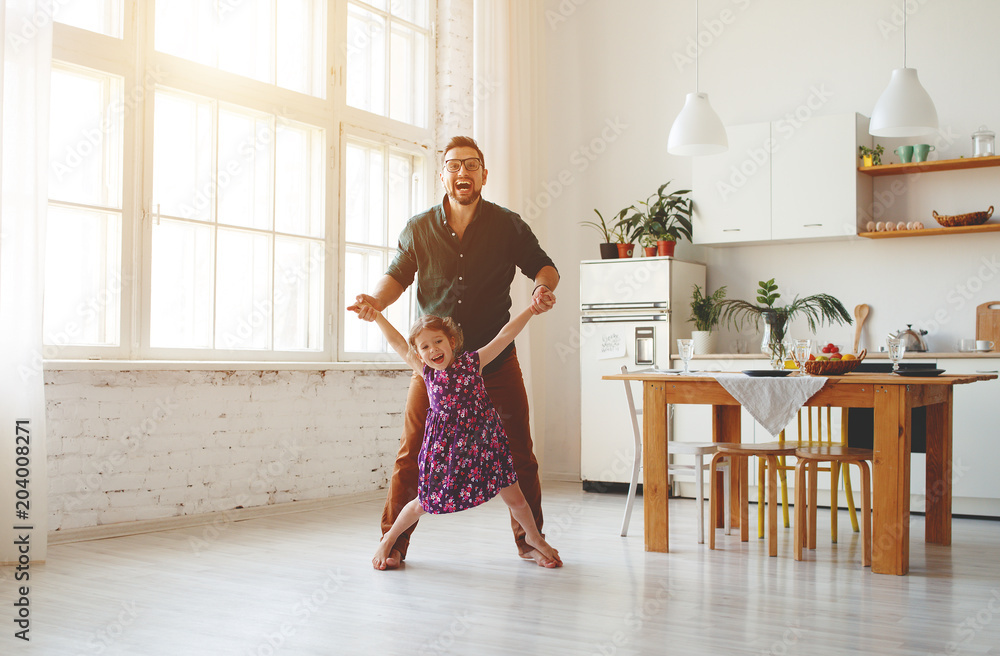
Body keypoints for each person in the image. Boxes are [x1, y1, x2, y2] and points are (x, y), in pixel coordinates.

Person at [349, 136, 560, 569]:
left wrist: (541, 289)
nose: (462, 173)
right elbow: (396, 275)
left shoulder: (507, 226)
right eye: (453, 166)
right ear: (441, 175)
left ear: (484, 174)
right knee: (412, 452)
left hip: (494, 363)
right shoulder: (419, 228)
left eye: (471, 165)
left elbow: (545, 266)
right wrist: (375, 303)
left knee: (518, 450)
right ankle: (394, 547)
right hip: (435, 368)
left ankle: (530, 543)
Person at [350, 302, 561, 570]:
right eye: (424, 346)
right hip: (445, 452)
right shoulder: (426, 373)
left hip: (485, 446)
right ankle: (388, 539)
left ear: (451, 341)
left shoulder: (473, 363)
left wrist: (531, 309)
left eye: (438, 341)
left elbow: (506, 334)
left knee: (516, 498)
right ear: (418, 352)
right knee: (421, 503)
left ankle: (533, 538)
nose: (433, 349)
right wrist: (378, 316)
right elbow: (398, 343)